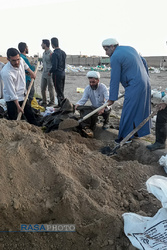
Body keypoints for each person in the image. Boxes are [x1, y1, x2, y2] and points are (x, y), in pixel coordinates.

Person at [102, 38, 151, 144]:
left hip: (134, 84)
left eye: (106, 50)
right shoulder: (130, 49)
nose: (106, 53)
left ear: (112, 46)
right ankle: (137, 132)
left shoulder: (115, 57)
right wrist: (145, 77)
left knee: (128, 111)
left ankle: (125, 138)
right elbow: (143, 61)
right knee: (140, 109)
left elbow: (114, 79)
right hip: (145, 82)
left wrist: (112, 98)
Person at [1, 48, 39, 125]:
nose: (17, 62)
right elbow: (11, 92)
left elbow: (25, 65)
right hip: (11, 99)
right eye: (14, 60)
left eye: (18, 59)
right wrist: (18, 106)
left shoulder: (21, 60)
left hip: (22, 94)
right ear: (8, 59)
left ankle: (37, 129)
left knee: (30, 115)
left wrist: (31, 73)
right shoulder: (6, 73)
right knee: (14, 120)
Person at [75, 71, 110, 137]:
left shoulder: (103, 87)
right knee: (84, 109)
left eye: (93, 82)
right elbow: (84, 99)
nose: (91, 84)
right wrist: (78, 104)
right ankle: (87, 127)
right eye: (90, 82)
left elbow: (108, 99)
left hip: (103, 107)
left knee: (108, 109)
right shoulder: (87, 88)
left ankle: (106, 122)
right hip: (94, 108)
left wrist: (103, 107)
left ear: (98, 81)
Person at [49, 37, 66, 107]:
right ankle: (61, 104)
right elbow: (64, 64)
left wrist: (50, 71)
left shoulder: (54, 54)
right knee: (61, 89)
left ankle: (62, 105)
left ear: (52, 44)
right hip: (62, 73)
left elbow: (54, 66)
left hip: (57, 74)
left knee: (58, 90)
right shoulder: (63, 53)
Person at [41, 39, 55, 106]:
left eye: (42, 44)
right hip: (44, 73)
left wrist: (51, 71)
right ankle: (44, 101)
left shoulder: (51, 53)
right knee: (42, 88)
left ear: (45, 44)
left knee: (50, 88)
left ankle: (52, 102)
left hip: (49, 74)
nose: (41, 45)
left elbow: (53, 64)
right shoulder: (43, 53)